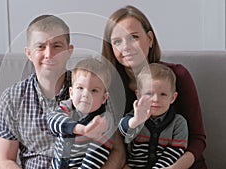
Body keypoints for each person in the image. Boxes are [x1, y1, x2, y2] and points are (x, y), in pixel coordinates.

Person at [0, 14, 124, 169]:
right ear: (29, 53)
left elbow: (118, 152)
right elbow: (5, 160)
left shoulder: (92, 88)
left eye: (57, 46)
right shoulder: (12, 98)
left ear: (69, 51)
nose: (49, 54)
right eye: (40, 46)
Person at [102, 5, 207, 169]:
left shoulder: (178, 76)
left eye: (134, 37)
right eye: (117, 41)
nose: (126, 47)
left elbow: (197, 138)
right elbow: (114, 144)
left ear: (149, 39)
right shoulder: (107, 86)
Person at [47, 57, 115, 169]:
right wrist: (81, 129)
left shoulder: (103, 121)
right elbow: (53, 120)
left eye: (94, 90)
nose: (85, 95)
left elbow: (95, 157)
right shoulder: (66, 107)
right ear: (71, 92)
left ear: (104, 98)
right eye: (80, 88)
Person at [118, 63, 188, 168]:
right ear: (138, 95)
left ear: (173, 98)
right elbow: (122, 131)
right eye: (149, 94)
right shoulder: (135, 116)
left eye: (163, 94)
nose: (155, 99)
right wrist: (135, 121)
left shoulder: (178, 123)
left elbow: (175, 151)